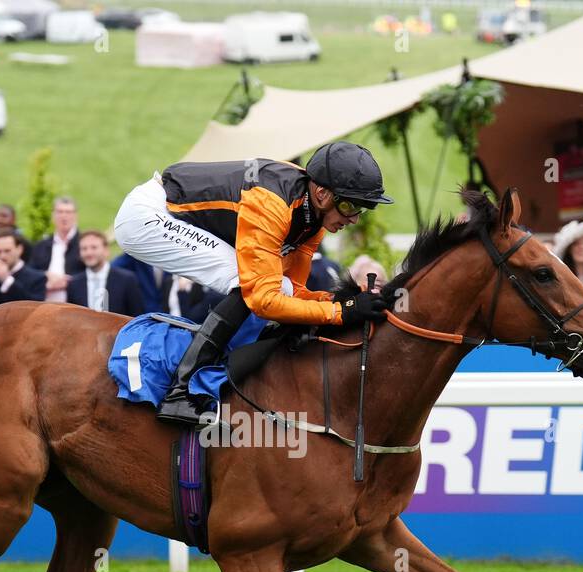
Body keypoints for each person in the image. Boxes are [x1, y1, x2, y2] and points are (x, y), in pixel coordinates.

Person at [113, 140, 393, 425]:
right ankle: (181, 391)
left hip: (171, 211)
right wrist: (340, 313)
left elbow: (293, 291)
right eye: (349, 205)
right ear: (321, 193)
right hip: (148, 217)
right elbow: (262, 300)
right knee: (245, 283)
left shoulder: (312, 216)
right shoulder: (272, 204)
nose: (355, 219)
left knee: (276, 287)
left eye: (363, 208)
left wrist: (341, 302)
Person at [67, 230, 143, 315]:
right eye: (84, 248)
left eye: (94, 247)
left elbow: (136, 316)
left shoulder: (127, 280)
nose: (89, 253)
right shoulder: (74, 283)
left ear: (106, 251)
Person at [0, 229, 45, 309]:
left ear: (19, 249)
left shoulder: (37, 278)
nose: (2, 256)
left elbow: (33, 309)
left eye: (7, 251)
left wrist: (7, 280)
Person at [28, 196, 82, 304]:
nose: (64, 216)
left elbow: (94, 271)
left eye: (68, 212)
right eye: (60, 212)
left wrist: (68, 281)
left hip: (76, 307)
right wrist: (45, 276)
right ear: (53, 216)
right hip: (42, 304)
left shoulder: (84, 244)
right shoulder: (41, 245)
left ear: (75, 216)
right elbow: (29, 272)